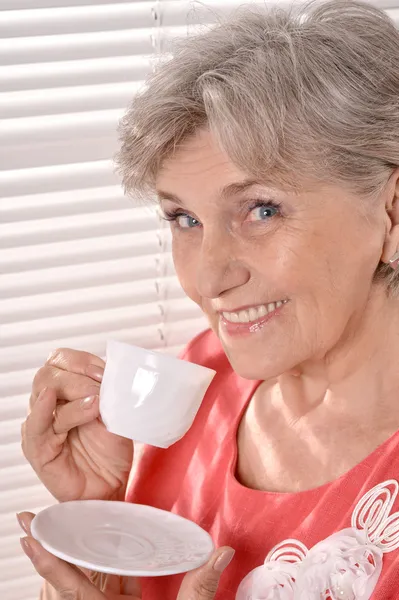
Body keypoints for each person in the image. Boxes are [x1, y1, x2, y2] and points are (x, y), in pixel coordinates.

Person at [18, 0, 399, 597]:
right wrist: (107, 526)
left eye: (261, 209)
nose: (208, 277)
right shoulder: (196, 381)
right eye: (184, 218)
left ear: (391, 211)